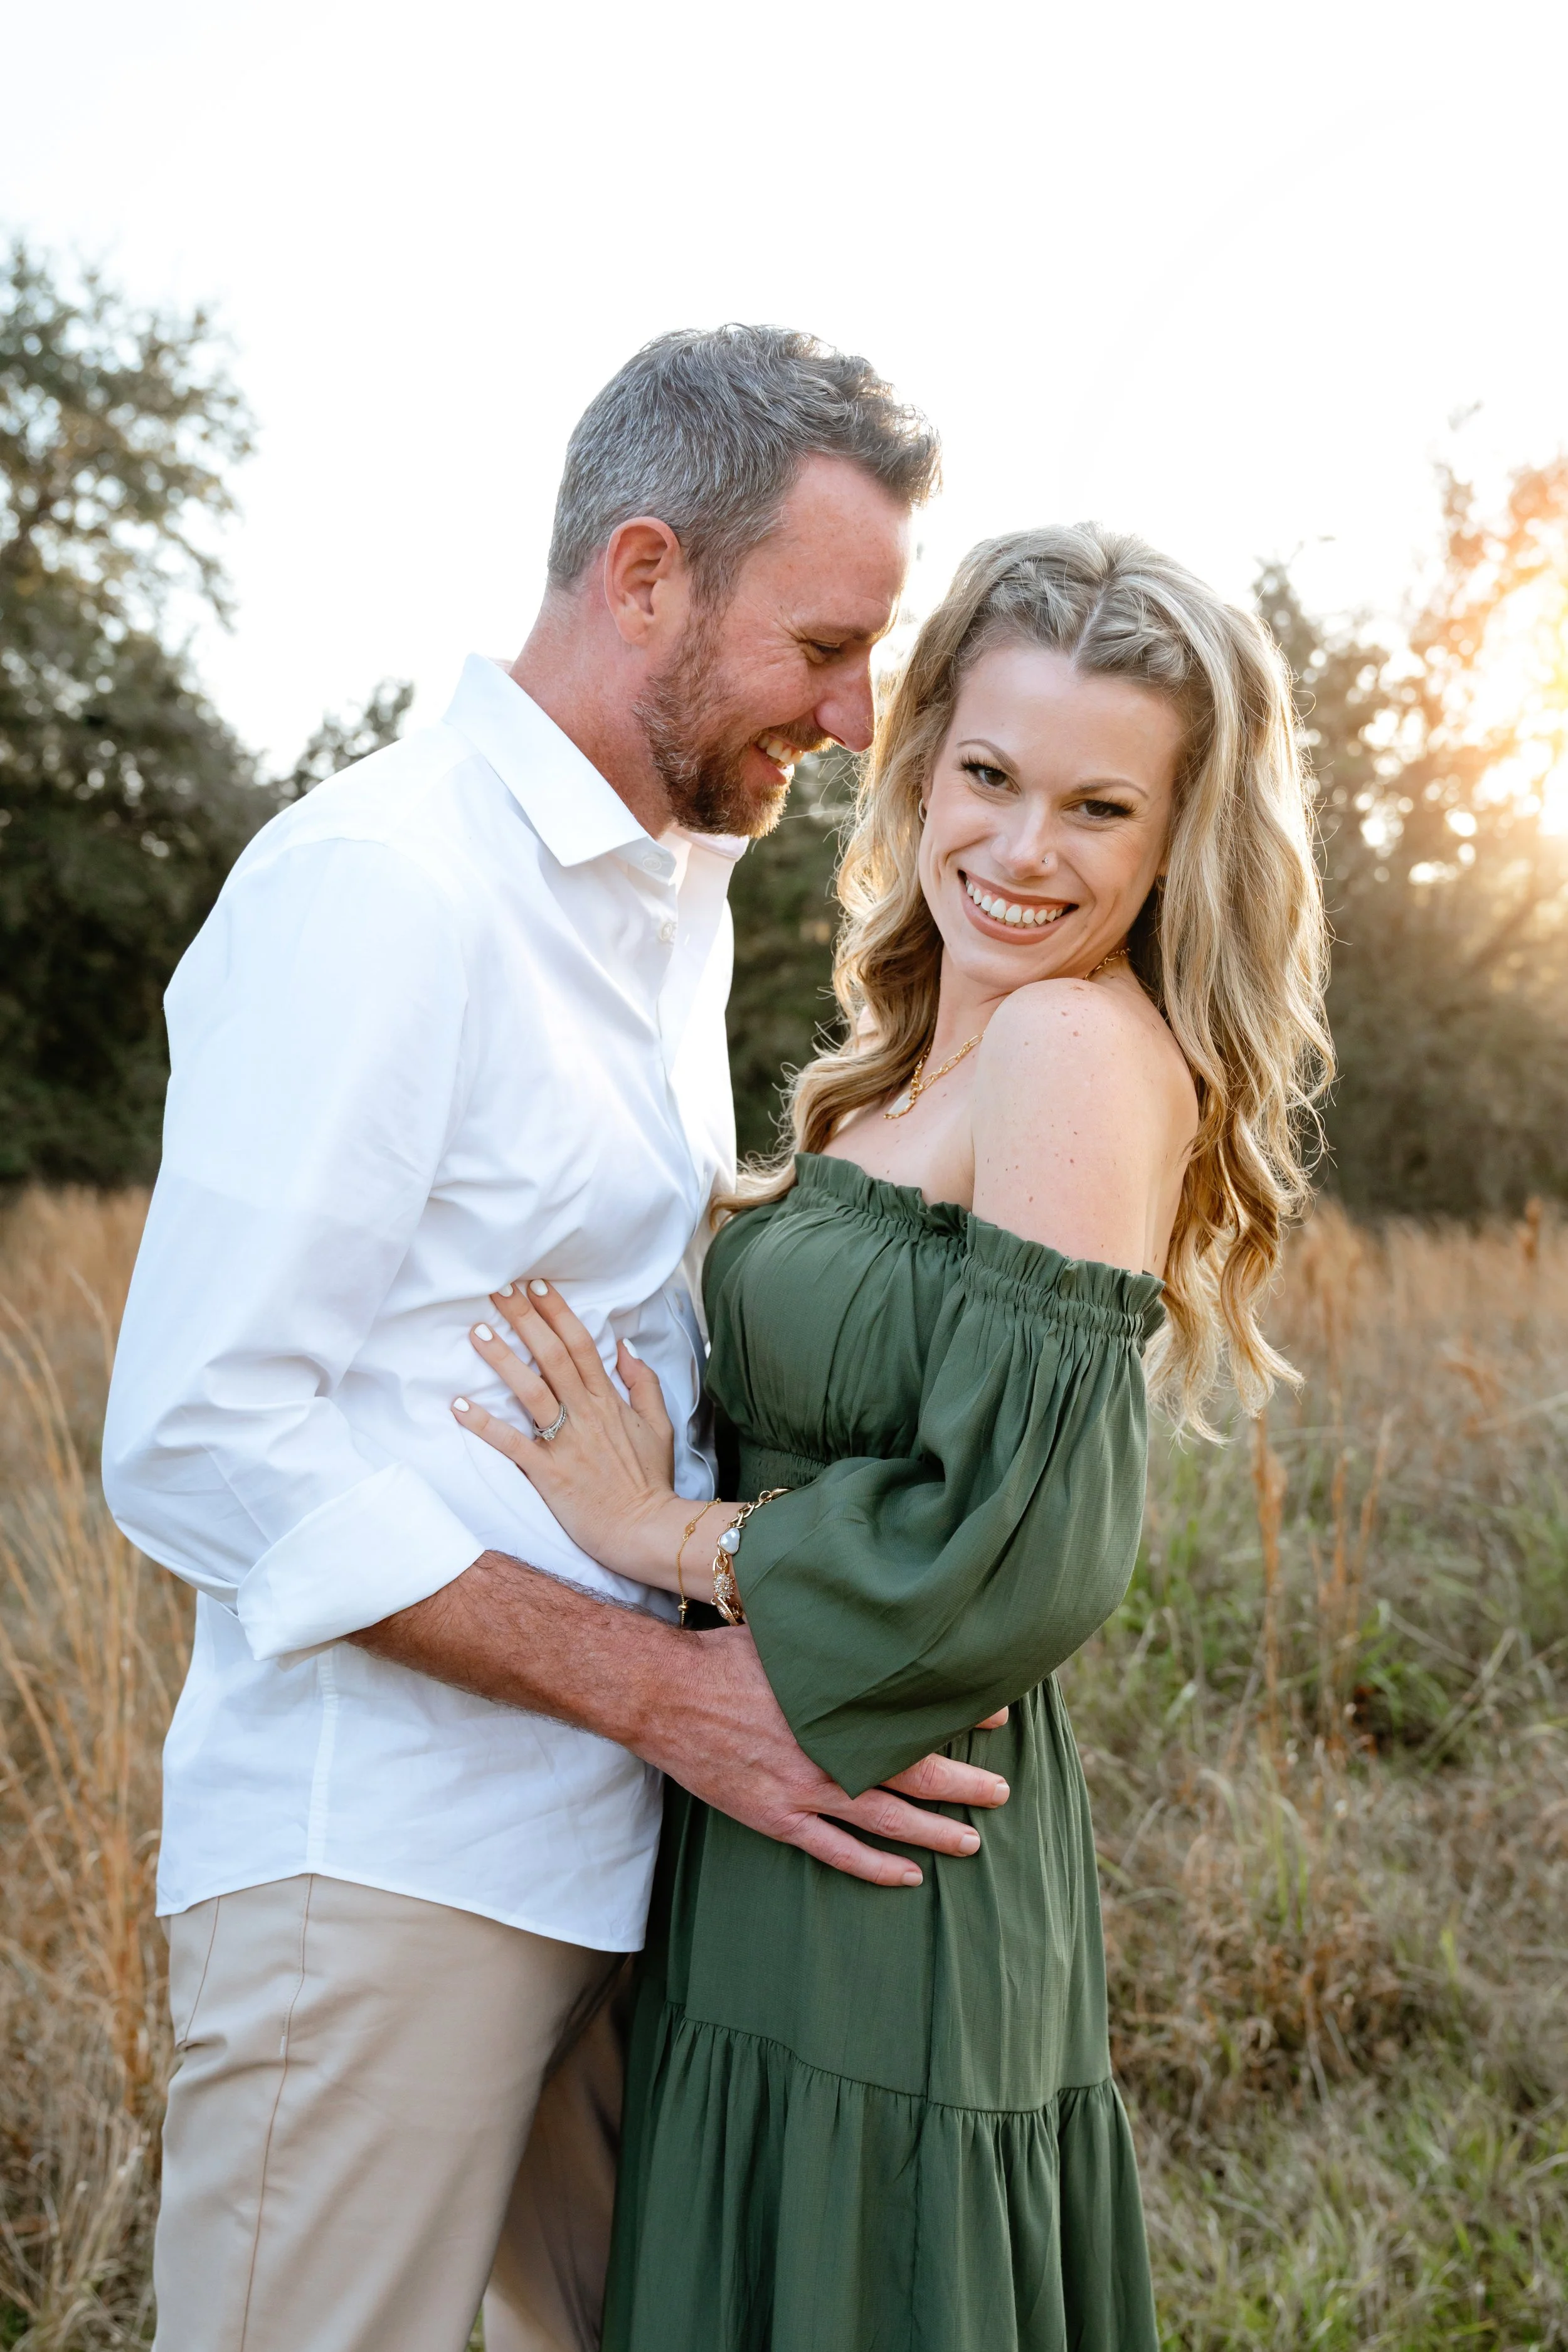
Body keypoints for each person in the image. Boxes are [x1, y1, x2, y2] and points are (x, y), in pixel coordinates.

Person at [101, 326, 1016, 2352]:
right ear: (642, 575)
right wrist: (658, 1691)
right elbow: (193, 1435)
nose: (861, 717)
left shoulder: (660, 904)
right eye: (826, 645)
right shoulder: (381, 883)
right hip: (385, 1876)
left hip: (604, 1874)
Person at [450, 523, 1333, 2351]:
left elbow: (1018, 1543)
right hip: (771, 1804)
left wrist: (664, 1541)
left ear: (1175, 842)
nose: (1021, 850)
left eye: (1099, 808)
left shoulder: (1073, 1050)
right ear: (922, 758)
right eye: (989, 775)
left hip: (890, 1864)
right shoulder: (928, 1050)